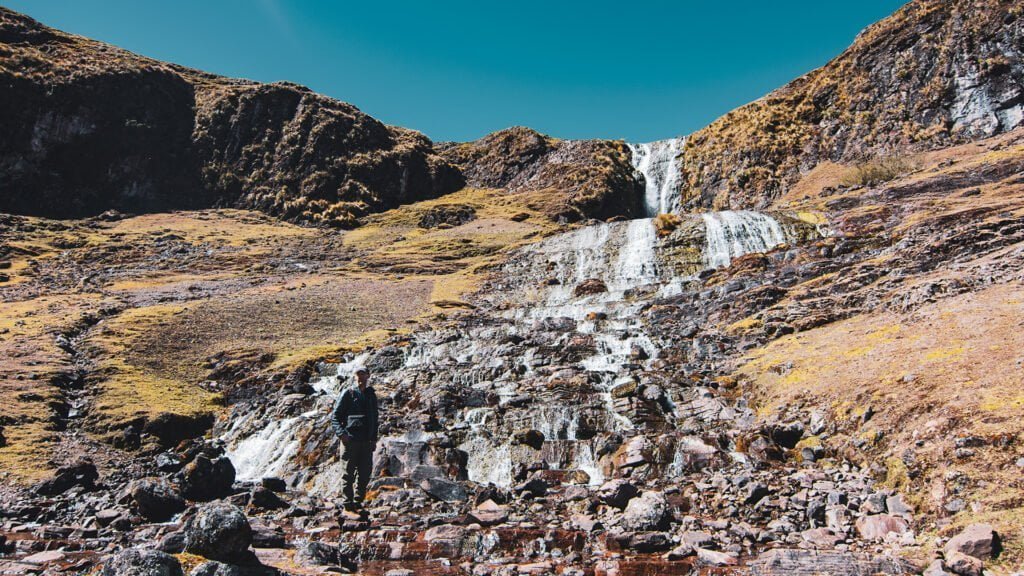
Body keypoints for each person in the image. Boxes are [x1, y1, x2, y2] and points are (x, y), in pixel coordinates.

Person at [330, 366, 379, 511]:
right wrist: (341, 434)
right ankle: (347, 504)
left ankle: (358, 501)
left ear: (368, 376)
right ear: (354, 376)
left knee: (365, 473)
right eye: (358, 374)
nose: (360, 377)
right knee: (348, 473)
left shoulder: (371, 395)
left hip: (366, 441)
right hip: (350, 440)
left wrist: (374, 439)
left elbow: (375, 419)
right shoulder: (348, 393)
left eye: (363, 374)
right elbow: (335, 417)